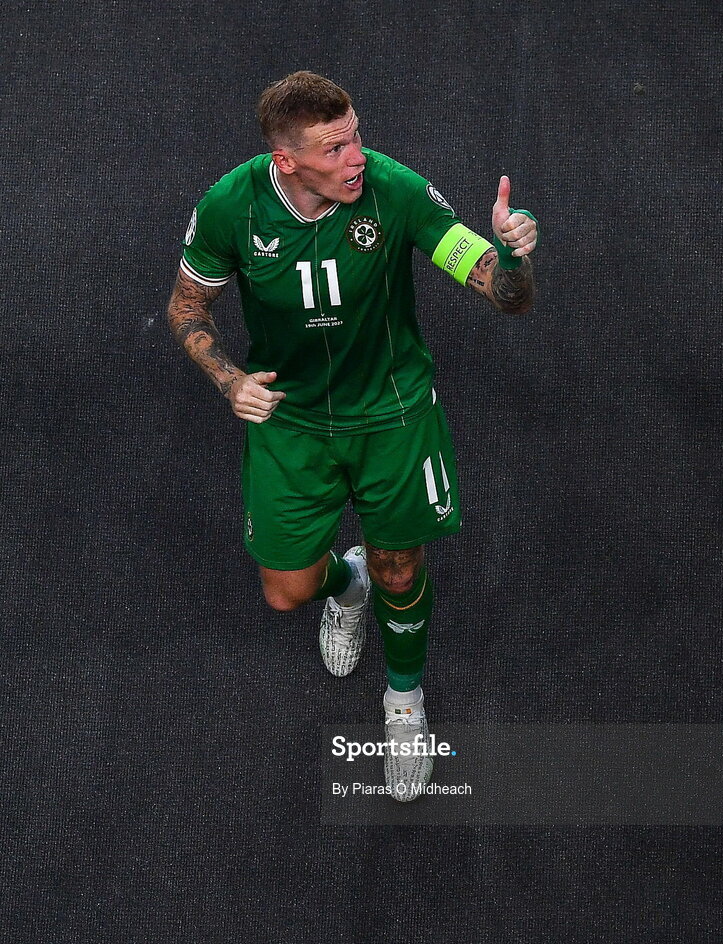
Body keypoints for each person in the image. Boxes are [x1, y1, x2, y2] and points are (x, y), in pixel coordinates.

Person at [167, 71, 538, 802]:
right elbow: (187, 308)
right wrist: (230, 380)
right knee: (289, 591)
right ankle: (348, 583)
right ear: (286, 161)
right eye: (335, 149)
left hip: (393, 416)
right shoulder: (230, 207)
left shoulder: (393, 190)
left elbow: (502, 294)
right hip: (293, 420)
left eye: (357, 136)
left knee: (402, 567)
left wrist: (515, 256)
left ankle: (404, 701)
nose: (357, 157)